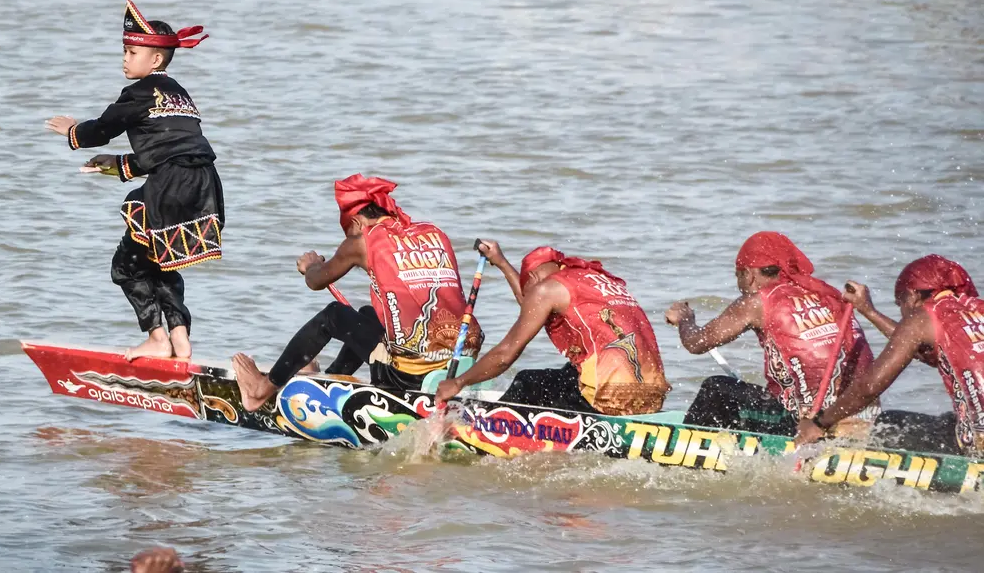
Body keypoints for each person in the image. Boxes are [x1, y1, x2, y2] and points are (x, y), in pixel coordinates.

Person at [45, 0, 220, 362]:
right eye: (124, 50)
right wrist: (117, 165)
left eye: (132, 51)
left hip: (171, 184)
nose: (125, 58)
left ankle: (157, 338)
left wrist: (73, 131)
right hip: (205, 183)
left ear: (155, 59)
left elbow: (103, 128)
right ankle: (180, 338)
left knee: (125, 266)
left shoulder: (138, 92)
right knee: (162, 261)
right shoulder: (179, 93)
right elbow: (173, 150)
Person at [232, 175, 483, 411]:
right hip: (462, 366)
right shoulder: (433, 233)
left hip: (408, 377)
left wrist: (311, 265)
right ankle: (331, 378)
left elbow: (316, 281)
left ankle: (260, 391)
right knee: (366, 315)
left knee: (334, 315)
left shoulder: (363, 240)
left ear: (356, 222)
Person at [664, 232, 876, 436]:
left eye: (738, 276)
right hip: (865, 417)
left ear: (748, 275)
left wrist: (685, 319)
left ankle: (683, 452)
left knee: (716, 388)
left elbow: (696, 342)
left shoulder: (758, 301)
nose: (739, 285)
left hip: (809, 423)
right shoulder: (827, 294)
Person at [435, 242, 669, 414]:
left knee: (528, 382)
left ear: (535, 277)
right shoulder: (591, 279)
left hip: (609, 397)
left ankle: (492, 430)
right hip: (653, 395)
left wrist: (458, 383)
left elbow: (506, 354)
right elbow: (533, 306)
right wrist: (502, 263)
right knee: (570, 372)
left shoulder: (546, 289)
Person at [793, 255, 982, 455]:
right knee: (949, 420)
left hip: (979, 445)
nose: (902, 311)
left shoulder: (922, 317)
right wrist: (868, 311)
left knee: (890, 423)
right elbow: (923, 352)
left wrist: (820, 422)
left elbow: (869, 386)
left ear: (913, 296)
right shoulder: (976, 310)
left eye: (899, 303)